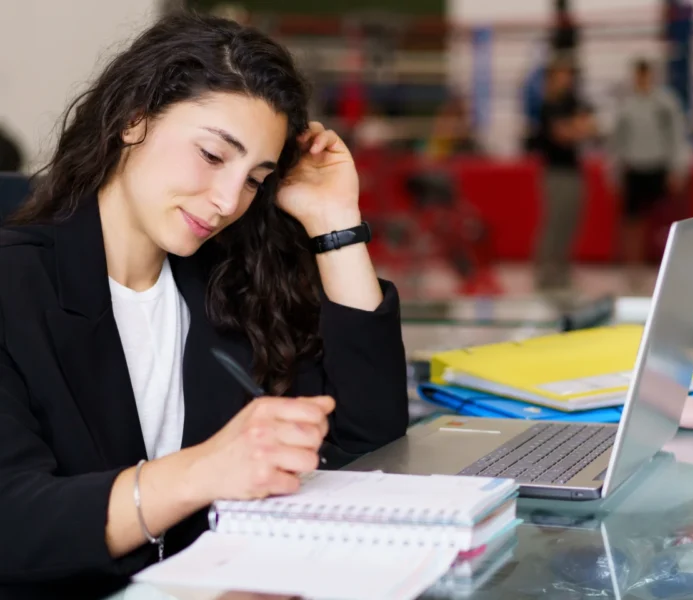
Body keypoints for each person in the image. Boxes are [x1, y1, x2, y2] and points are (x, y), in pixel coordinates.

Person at [0, 13, 408, 599]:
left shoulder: (228, 280)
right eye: (214, 156)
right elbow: (12, 519)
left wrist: (334, 222)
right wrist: (204, 471)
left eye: (255, 179)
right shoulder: (16, 286)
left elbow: (367, 440)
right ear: (133, 120)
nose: (226, 201)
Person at [610, 58, 688, 286]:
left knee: (663, 221)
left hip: (659, 167)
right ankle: (633, 269)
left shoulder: (665, 103)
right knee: (632, 221)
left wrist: (677, 169)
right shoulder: (626, 104)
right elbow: (617, 141)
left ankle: (667, 267)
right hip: (634, 167)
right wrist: (615, 171)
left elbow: (676, 137)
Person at [534, 57, 595, 293]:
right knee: (554, 221)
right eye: (562, 75)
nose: (566, 80)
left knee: (570, 220)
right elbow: (563, 134)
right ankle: (546, 270)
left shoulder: (572, 102)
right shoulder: (549, 105)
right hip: (555, 172)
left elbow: (590, 126)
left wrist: (576, 128)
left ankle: (562, 268)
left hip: (573, 169)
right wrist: (576, 128)